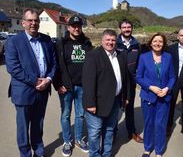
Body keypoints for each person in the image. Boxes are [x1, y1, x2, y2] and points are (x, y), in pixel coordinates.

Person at [5, 8, 57, 157]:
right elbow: (13, 68)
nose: (34, 23)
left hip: (43, 90)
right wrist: (35, 81)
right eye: (30, 20)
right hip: (23, 91)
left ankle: (39, 151)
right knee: (23, 126)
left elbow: (54, 64)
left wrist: (48, 79)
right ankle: (25, 154)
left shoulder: (46, 40)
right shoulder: (13, 42)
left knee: (38, 124)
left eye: (36, 20)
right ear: (23, 23)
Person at [82, 29, 130, 157]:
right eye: (107, 40)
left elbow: (125, 79)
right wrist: (90, 103)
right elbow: (88, 82)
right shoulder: (93, 56)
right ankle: (95, 154)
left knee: (109, 130)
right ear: (102, 41)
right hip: (97, 102)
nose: (110, 42)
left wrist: (125, 97)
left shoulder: (121, 55)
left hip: (115, 100)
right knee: (95, 132)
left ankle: (107, 154)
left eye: (113, 40)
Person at [53, 15, 92, 156]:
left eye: (79, 26)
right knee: (65, 114)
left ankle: (79, 139)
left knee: (80, 115)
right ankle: (67, 141)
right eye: (73, 26)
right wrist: (57, 84)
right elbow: (55, 65)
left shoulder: (87, 43)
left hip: (82, 86)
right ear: (68, 27)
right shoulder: (61, 43)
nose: (76, 28)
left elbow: (91, 65)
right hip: (65, 86)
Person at [136, 33, 175, 157]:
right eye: (155, 41)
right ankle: (147, 148)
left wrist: (167, 88)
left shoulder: (168, 57)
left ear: (163, 44)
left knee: (160, 124)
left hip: (164, 97)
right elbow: (138, 77)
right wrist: (150, 87)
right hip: (148, 96)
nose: (157, 43)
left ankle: (159, 151)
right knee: (148, 123)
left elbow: (173, 77)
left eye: (160, 41)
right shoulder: (143, 57)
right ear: (151, 43)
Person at [116, 19, 143, 143]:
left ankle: (131, 132)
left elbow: (140, 63)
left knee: (129, 108)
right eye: (124, 27)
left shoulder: (136, 44)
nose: (127, 29)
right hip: (116, 81)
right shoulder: (114, 43)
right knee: (114, 109)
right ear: (120, 29)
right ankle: (112, 133)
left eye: (129, 27)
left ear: (132, 28)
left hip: (131, 83)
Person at [166, 28, 183, 135]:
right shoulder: (170, 49)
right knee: (171, 102)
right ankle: (168, 125)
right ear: (178, 37)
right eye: (181, 35)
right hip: (174, 79)